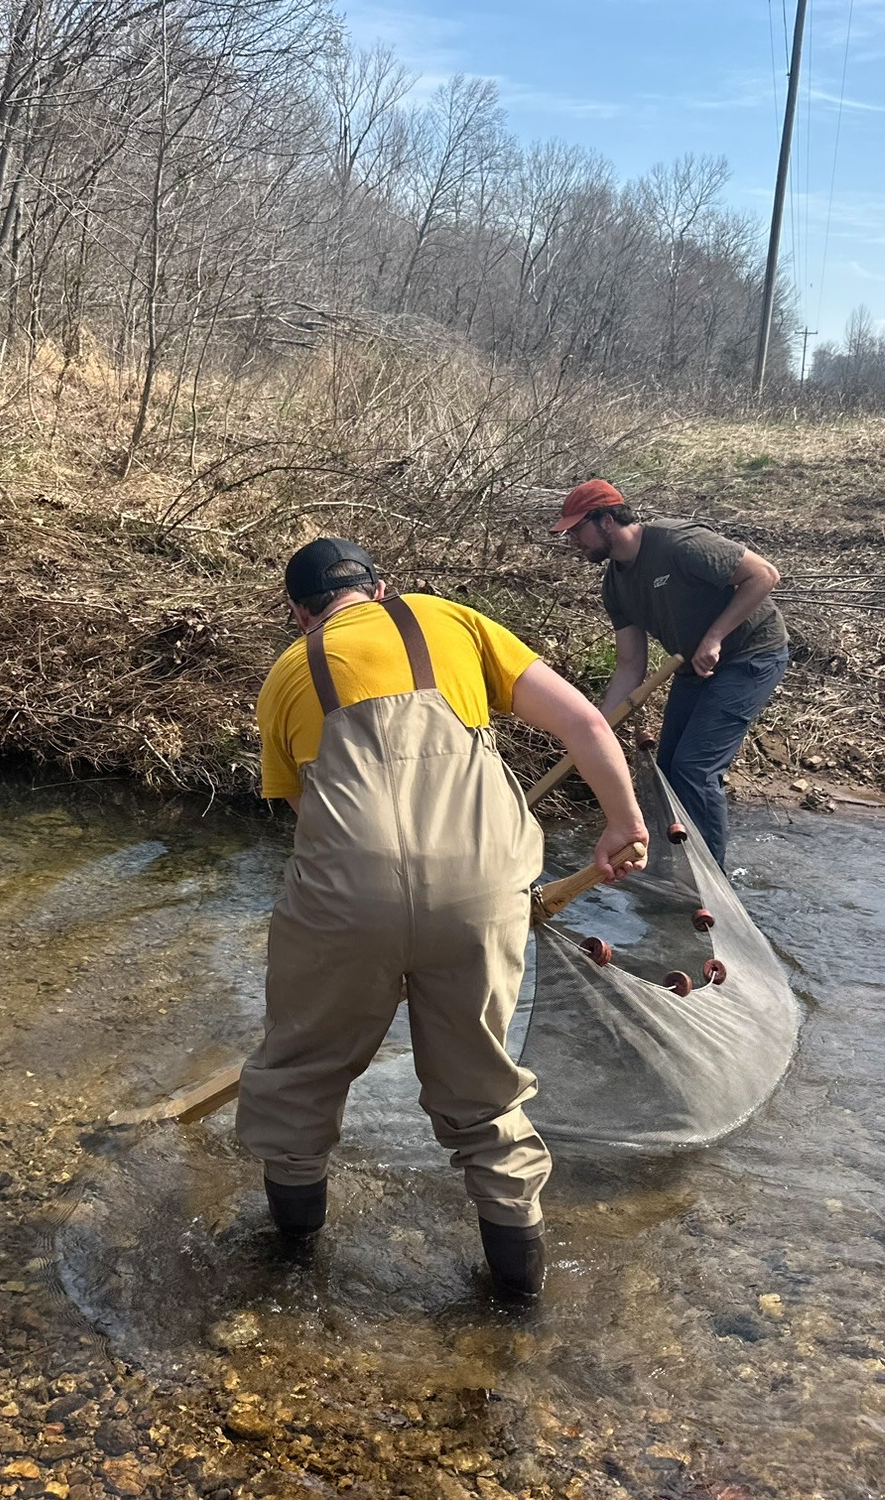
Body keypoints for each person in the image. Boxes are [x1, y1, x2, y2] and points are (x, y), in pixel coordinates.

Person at [237, 537, 649, 1302]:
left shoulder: (288, 676)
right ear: (382, 587)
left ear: (299, 615)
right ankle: (517, 1304)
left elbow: (309, 814)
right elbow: (586, 724)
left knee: (298, 1076)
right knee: (485, 1096)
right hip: (483, 887)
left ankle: (287, 1276)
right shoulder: (448, 620)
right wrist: (622, 820)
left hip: (346, 897)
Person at [551, 479, 789, 871]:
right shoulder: (615, 586)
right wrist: (597, 728)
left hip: (751, 655)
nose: (574, 541)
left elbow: (764, 575)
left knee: (695, 768)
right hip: (694, 667)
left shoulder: (677, 543)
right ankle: (676, 865)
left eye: (578, 530)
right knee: (668, 768)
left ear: (606, 520)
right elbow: (630, 665)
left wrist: (715, 636)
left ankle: (713, 879)